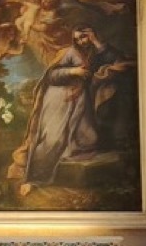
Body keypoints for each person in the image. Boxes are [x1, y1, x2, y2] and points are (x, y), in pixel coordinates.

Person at [20, 25, 134, 187]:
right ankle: (36, 178)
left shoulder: (96, 54)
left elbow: (116, 60)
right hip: (60, 99)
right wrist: (72, 71)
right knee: (53, 140)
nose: (81, 41)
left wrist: (96, 42)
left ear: (92, 35)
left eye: (84, 37)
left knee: (88, 139)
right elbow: (51, 76)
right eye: (77, 39)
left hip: (81, 100)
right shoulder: (69, 52)